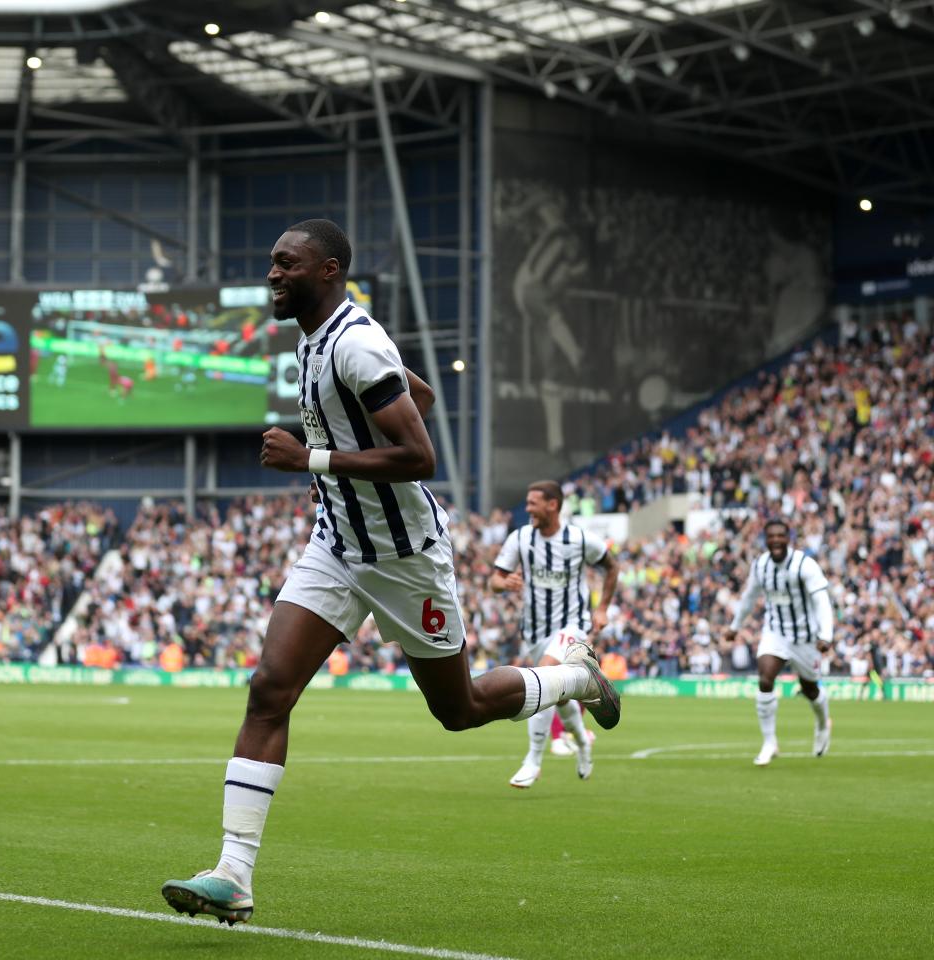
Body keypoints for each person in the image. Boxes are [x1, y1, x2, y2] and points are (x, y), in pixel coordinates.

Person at [159, 218, 621, 926]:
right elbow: (418, 397)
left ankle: (573, 678)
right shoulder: (317, 340)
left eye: (287, 263)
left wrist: (310, 458)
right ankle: (234, 873)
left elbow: (420, 454)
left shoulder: (354, 342)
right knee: (269, 689)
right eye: (273, 262)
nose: (273, 274)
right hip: (337, 545)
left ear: (329, 270)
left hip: (405, 557)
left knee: (459, 709)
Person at [489, 481, 618, 788]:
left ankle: (533, 760)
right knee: (559, 697)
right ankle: (582, 743)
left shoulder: (580, 539)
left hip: (573, 625)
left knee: (543, 676)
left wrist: (602, 609)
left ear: (553, 505)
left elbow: (612, 567)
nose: (528, 509)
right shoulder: (520, 538)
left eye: (533, 503)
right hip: (535, 630)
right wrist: (504, 584)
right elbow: (495, 580)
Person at [721, 519, 833, 766]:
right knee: (765, 679)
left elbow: (821, 600)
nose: (776, 541)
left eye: (780, 536)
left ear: (788, 538)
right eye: (771, 536)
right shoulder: (761, 565)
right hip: (775, 633)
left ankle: (823, 724)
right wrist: (735, 627)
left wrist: (826, 634)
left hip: (805, 637)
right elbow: (749, 597)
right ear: (766, 539)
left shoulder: (804, 565)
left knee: (810, 689)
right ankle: (769, 742)